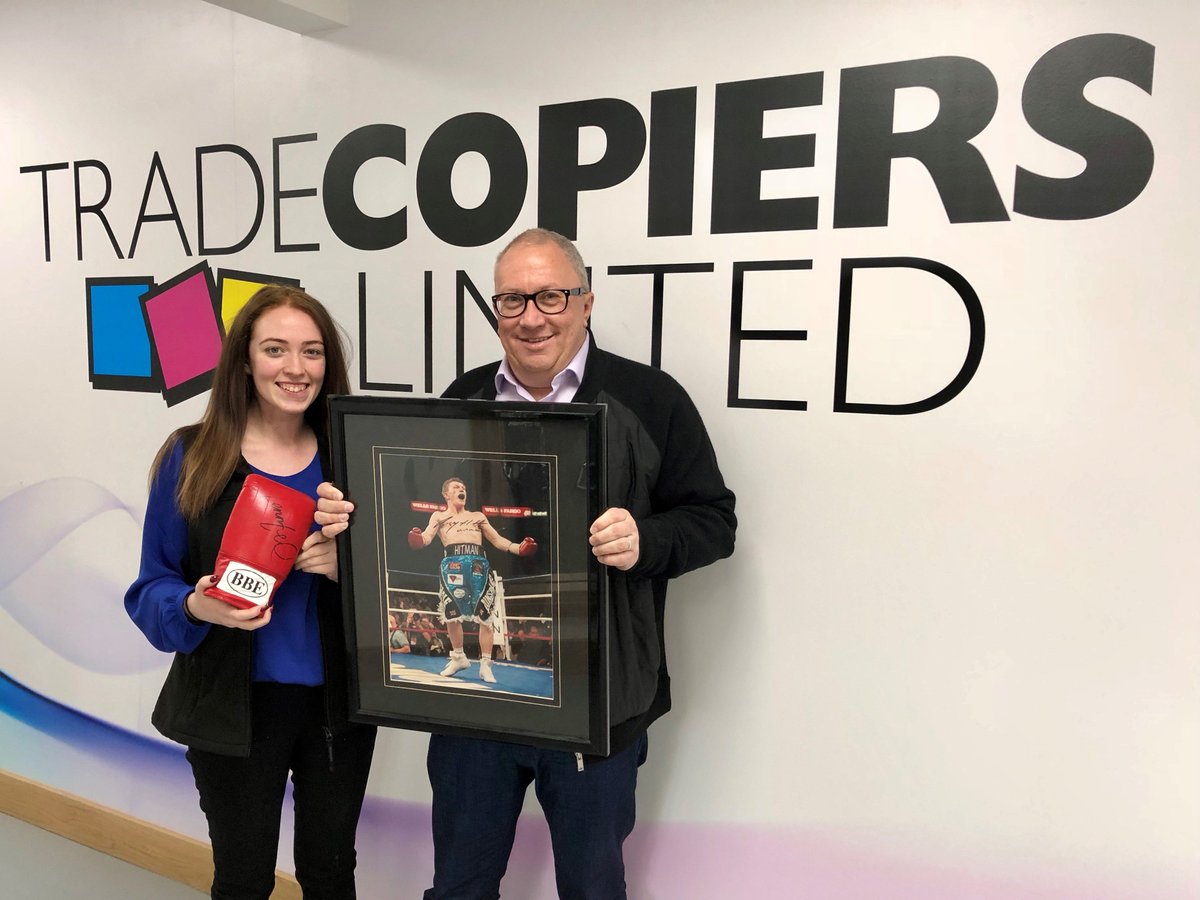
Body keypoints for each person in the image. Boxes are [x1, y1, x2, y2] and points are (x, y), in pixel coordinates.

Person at [318, 228, 736, 900]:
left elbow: (713, 521)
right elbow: (403, 518)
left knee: (592, 887)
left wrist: (647, 541)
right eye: (513, 301)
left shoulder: (652, 399)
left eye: (550, 296)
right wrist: (351, 525)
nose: (532, 317)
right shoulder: (462, 397)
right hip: (474, 711)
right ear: (495, 310)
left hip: (597, 705)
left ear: (586, 301)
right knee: (460, 884)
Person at [125, 285, 377, 899]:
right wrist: (194, 605)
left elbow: (406, 588)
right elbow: (150, 587)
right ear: (243, 361)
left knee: (330, 871)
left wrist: (350, 571)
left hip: (337, 707)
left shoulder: (357, 456)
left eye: (312, 352)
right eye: (276, 349)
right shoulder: (191, 457)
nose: (296, 368)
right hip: (232, 704)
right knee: (242, 877)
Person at [407, 476, 537, 683]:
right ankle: (458, 657)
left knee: (485, 615)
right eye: (457, 487)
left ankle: (486, 664)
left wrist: (517, 548)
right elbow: (427, 537)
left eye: (464, 487)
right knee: (451, 614)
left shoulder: (478, 516)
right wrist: (417, 539)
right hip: (452, 566)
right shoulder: (438, 516)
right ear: (446, 494)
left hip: (479, 566)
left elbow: (496, 539)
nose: (462, 489)